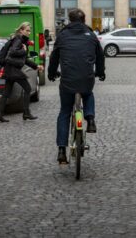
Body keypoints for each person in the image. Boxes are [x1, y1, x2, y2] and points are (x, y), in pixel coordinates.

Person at [48, 9, 105, 165]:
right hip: (86, 78)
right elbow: (100, 55)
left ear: (70, 20)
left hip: (67, 80)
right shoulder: (91, 35)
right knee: (88, 94)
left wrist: (51, 73)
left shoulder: (63, 35)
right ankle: (90, 118)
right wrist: (100, 72)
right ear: (84, 19)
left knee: (65, 112)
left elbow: (54, 57)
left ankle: (61, 150)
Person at [0, 22, 43, 123]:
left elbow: (24, 60)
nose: (29, 32)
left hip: (10, 69)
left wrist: (36, 66)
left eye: (29, 30)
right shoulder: (18, 40)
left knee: (6, 93)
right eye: (27, 30)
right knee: (27, 88)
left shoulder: (21, 40)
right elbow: (13, 52)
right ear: (21, 30)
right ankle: (26, 113)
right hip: (13, 70)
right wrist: (24, 51)